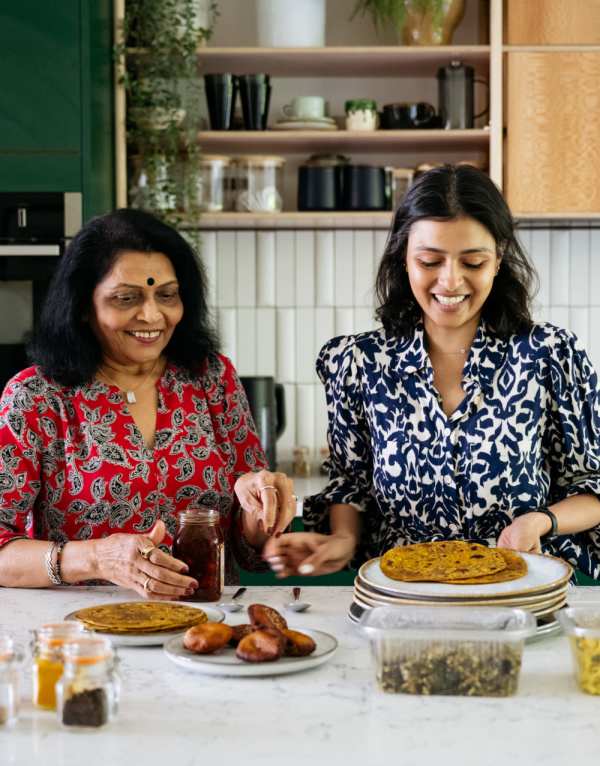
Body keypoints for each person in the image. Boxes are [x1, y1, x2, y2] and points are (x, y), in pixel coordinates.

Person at [263, 164, 600, 580]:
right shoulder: (359, 362)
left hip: (522, 589)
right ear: (404, 257)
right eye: (430, 260)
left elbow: (592, 487)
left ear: (499, 259)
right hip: (402, 594)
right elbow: (351, 485)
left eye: (473, 262)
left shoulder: (549, 355)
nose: (450, 280)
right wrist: (342, 540)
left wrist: (541, 521)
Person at [0, 208, 295, 596]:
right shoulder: (36, 398)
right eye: (127, 298)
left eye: (167, 295)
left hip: (204, 629)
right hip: (87, 637)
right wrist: (96, 558)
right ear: (84, 306)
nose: (153, 315)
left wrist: (262, 510)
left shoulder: (211, 379)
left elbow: (248, 543)